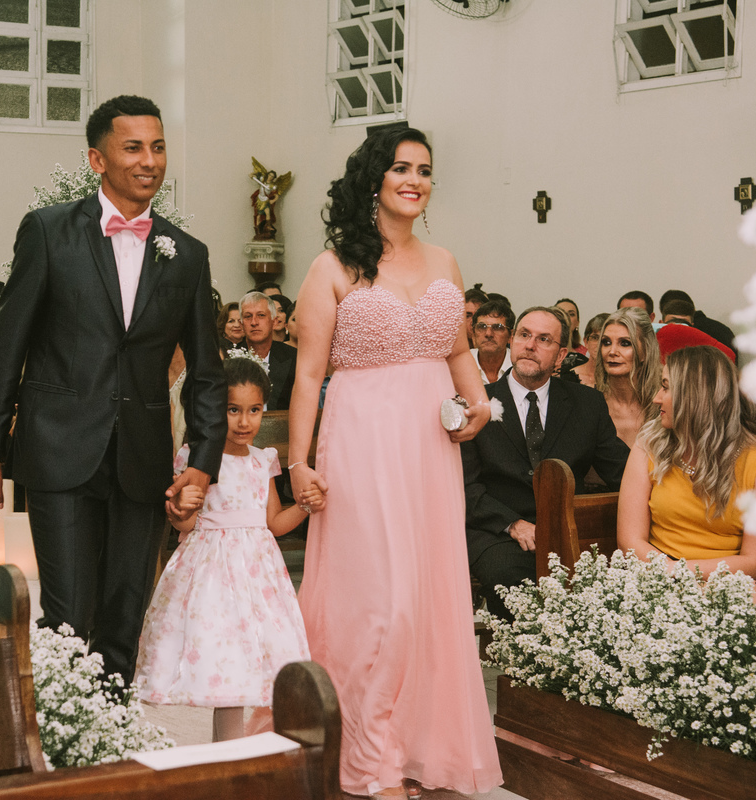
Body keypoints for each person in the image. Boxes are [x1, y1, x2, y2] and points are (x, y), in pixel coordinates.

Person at [0, 94, 226, 684]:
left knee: (124, 617)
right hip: (60, 449)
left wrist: (202, 461)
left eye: (158, 147)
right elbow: (9, 346)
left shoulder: (187, 254)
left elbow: (207, 370)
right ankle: (60, 731)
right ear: (97, 159)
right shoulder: (48, 231)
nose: (149, 161)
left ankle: (112, 729)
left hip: (142, 458)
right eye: (133, 147)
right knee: (67, 617)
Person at [288, 126, 500, 797]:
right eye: (402, 168)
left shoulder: (444, 261)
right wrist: (298, 462)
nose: (415, 180)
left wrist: (481, 403)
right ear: (374, 179)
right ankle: (367, 757)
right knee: (382, 601)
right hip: (362, 442)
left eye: (425, 170)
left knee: (429, 595)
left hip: (430, 450)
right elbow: (308, 374)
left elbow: (457, 351)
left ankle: (418, 748)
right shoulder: (332, 267)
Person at [135, 355, 322, 741]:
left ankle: (228, 752)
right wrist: (179, 508)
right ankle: (226, 752)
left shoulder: (263, 461)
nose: (244, 421)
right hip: (212, 577)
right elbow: (185, 524)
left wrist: (305, 506)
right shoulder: (199, 460)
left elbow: (273, 523)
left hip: (257, 577)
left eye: (254, 410)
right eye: (233, 410)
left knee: (246, 667)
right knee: (222, 659)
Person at [463, 307, 631, 621]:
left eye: (544, 339)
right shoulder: (477, 403)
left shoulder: (587, 404)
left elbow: (622, 472)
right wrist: (513, 524)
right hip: (498, 532)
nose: (530, 345)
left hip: (567, 530)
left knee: (608, 582)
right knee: (512, 579)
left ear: (560, 355)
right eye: (524, 335)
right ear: (512, 341)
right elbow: (465, 486)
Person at [618, 346, 756, 586]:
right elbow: (630, 541)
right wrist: (672, 574)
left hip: (728, 583)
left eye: (666, 387)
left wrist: (683, 573)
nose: (656, 398)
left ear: (696, 396)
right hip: (658, 575)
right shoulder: (649, 444)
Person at [594, 307, 661, 447]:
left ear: (646, 350)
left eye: (625, 343)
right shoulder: (590, 405)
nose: (612, 351)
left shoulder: (662, 406)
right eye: (606, 342)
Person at [240, 291, 296, 410]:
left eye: (261, 315)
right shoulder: (229, 358)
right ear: (241, 324)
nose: (254, 322)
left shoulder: (294, 358)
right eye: (248, 316)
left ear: (274, 322)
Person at [659, 288, 736, 354]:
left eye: (683, 323)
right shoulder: (721, 330)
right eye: (673, 322)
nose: (679, 328)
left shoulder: (699, 340)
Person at [470, 299, 514, 384]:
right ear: (474, 333)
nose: (488, 334)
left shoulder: (519, 366)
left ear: (510, 336)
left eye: (497, 327)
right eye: (482, 327)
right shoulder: (460, 364)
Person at [561, 312, 608, 387]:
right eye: (595, 338)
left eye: (606, 340)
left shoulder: (619, 379)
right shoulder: (569, 378)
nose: (599, 344)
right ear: (586, 341)